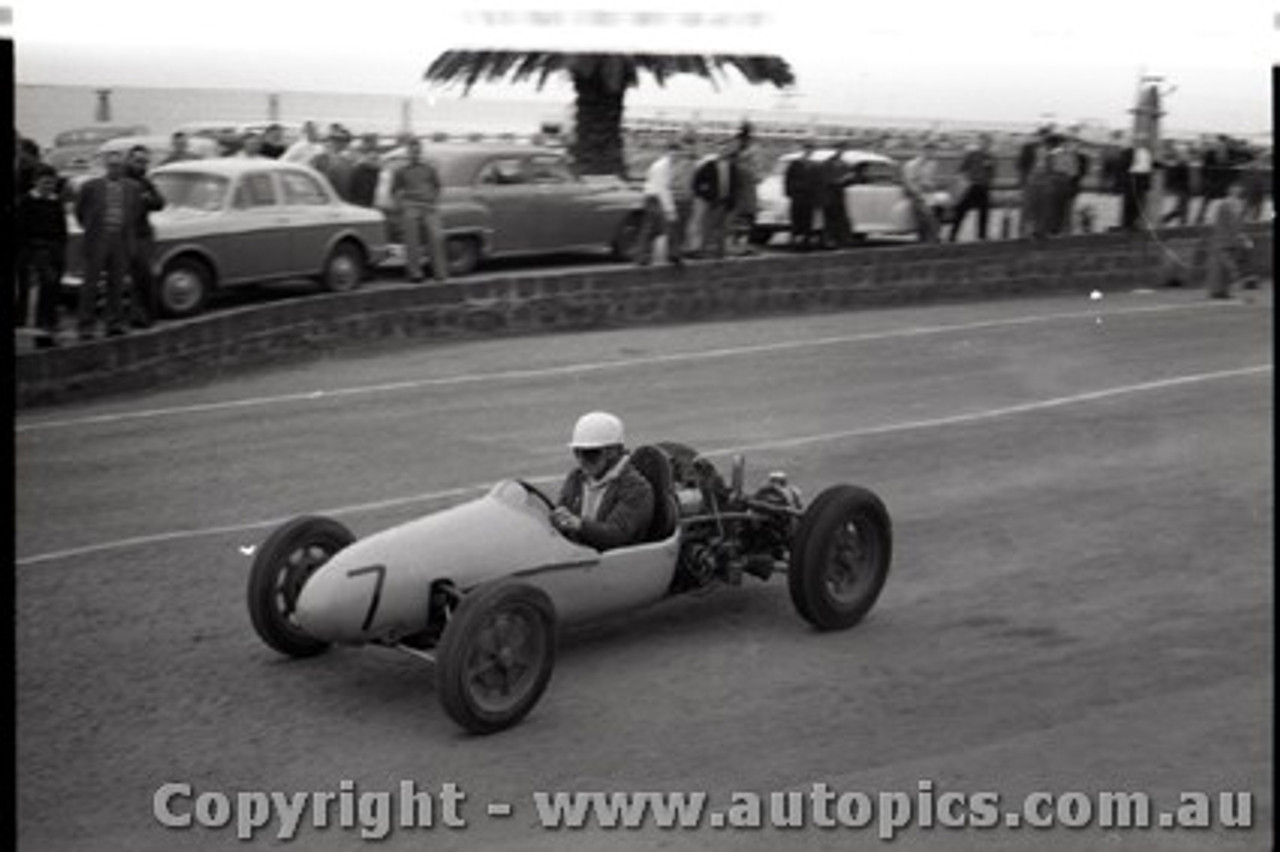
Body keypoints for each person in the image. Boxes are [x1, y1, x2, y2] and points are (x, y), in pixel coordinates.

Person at [551, 412, 655, 551]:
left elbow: (618, 535)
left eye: (590, 454)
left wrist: (579, 525)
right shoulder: (576, 478)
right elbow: (561, 512)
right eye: (577, 452)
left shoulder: (637, 489)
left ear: (612, 452)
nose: (581, 461)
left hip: (613, 563)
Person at [75, 149, 141, 340]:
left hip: (120, 239)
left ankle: (114, 323)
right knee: (90, 284)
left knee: (117, 283)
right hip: (98, 239)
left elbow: (135, 213)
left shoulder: (133, 187)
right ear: (106, 167)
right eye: (112, 165)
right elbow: (81, 213)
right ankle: (86, 326)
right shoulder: (90, 186)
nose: (116, 169)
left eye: (119, 166)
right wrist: (94, 230)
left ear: (123, 167)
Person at [16, 164, 68, 348]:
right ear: (36, 182)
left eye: (52, 183)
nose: (49, 187)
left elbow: (62, 229)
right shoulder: (26, 202)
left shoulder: (56, 201)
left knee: (54, 290)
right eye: (45, 183)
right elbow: (21, 231)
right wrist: (27, 255)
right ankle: (40, 332)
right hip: (36, 249)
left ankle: (49, 331)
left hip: (55, 250)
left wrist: (61, 249)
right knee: (46, 285)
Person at [392, 137, 448, 282]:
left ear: (420, 152)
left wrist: (433, 201)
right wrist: (402, 206)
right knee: (411, 237)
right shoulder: (401, 171)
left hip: (429, 206)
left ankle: (439, 273)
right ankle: (415, 273)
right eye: (411, 151)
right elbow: (395, 191)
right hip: (410, 206)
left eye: (417, 151)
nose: (414, 154)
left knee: (436, 236)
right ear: (407, 153)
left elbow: (438, 187)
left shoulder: (429, 169)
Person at [123, 145, 166, 327]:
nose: (142, 165)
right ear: (129, 160)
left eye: (144, 162)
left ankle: (145, 315)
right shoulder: (122, 180)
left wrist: (147, 200)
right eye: (138, 161)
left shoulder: (145, 181)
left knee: (144, 276)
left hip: (141, 233)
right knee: (131, 277)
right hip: (124, 234)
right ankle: (133, 315)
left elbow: (160, 202)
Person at [635, 139, 690, 266]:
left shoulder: (663, 165)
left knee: (650, 228)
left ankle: (642, 257)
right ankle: (674, 255)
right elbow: (663, 189)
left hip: (651, 197)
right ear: (668, 152)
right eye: (674, 153)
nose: (676, 156)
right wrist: (670, 209)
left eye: (678, 154)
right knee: (671, 224)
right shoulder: (663, 167)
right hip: (656, 198)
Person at [1202, 181, 1256, 299]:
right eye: (1235, 188)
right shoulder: (1225, 204)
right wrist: (1243, 237)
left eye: (1239, 188)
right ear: (1230, 189)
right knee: (1223, 265)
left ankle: (1222, 291)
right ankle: (1225, 286)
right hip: (1224, 239)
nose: (1238, 190)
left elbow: (1238, 223)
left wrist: (1243, 236)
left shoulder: (1237, 204)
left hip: (1228, 239)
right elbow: (1233, 223)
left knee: (1221, 266)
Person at [692, 140, 740, 259]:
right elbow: (697, 182)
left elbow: (735, 185)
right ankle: (703, 251)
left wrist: (732, 199)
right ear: (717, 151)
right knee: (707, 227)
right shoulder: (709, 165)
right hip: (712, 202)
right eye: (721, 149)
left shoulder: (732, 167)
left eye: (725, 149)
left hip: (726, 202)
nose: (723, 151)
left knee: (723, 228)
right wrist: (706, 194)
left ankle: (720, 252)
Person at [950, 133, 996, 241]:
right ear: (979, 143)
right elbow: (962, 169)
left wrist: (989, 183)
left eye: (987, 142)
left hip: (983, 187)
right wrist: (963, 182)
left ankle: (982, 235)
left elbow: (992, 173)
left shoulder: (991, 157)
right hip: (971, 186)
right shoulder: (972, 154)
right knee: (961, 210)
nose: (985, 144)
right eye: (983, 142)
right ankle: (953, 234)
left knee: (984, 212)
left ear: (989, 144)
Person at [903, 141, 944, 242]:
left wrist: (932, 186)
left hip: (930, 195)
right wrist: (918, 193)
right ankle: (933, 240)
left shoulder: (933, 164)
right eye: (931, 151)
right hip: (919, 195)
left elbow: (931, 179)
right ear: (924, 151)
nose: (933, 154)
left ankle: (927, 241)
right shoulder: (912, 164)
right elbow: (909, 182)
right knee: (928, 218)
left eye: (934, 151)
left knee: (930, 219)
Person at [784, 139, 819, 251]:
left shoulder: (814, 166)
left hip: (809, 197)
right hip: (798, 196)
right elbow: (788, 179)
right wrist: (790, 192)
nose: (809, 151)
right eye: (807, 148)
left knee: (807, 221)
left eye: (811, 149)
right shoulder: (795, 164)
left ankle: (805, 243)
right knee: (796, 220)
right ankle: (795, 242)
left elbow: (817, 182)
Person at [818, 142, 853, 249]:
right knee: (830, 218)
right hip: (829, 194)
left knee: (840, 218)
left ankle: (840, 240)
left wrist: (848, 179)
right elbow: (825, 180)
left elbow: (849, 179)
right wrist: (840, 180)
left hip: (839, 194)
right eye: (839, 149)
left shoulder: (844, 164)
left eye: (843, 149)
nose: (841, 152)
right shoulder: (827, 163)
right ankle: (829, 240)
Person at [1160, 142, 1192, 226]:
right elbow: (1176, 177)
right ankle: (1167, 219)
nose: (1187, 155)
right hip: (1183, 189)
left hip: (1184, 188)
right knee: (1182, 207)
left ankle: (1180, 221)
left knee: (1183, 207)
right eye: (1185, 154)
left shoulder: (1182, 164)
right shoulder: (1181, 165)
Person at [349, 134, 382, 208]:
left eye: (375, 142)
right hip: (362, 183)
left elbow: (378, 166)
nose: (375, 144)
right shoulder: (358, 154)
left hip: (368, 184)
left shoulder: (374, 154)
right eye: (373, 142)